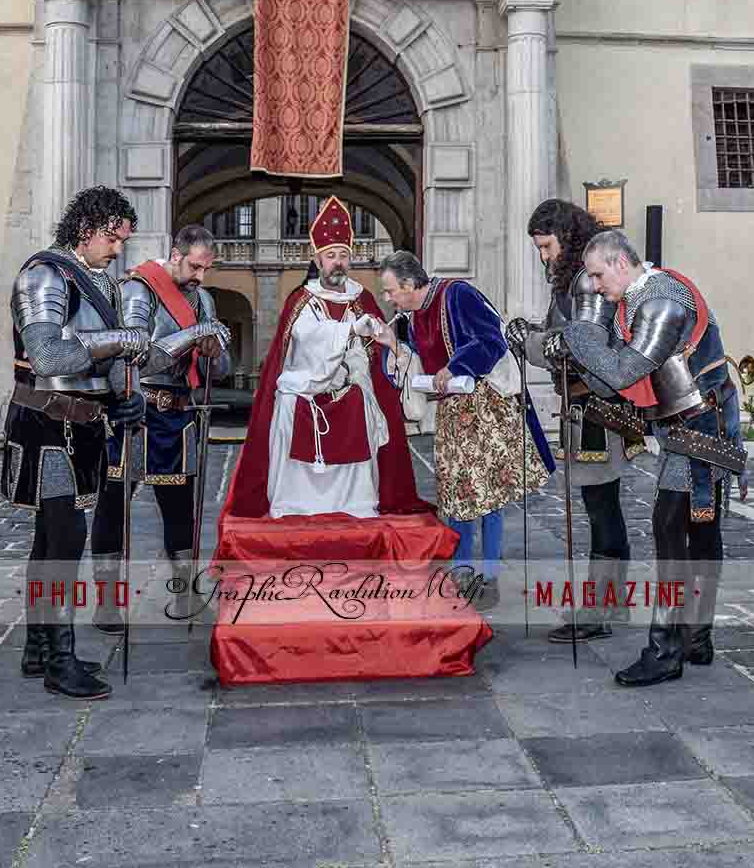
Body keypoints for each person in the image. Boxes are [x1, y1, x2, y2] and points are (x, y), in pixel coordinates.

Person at [7, 187, 210, 700]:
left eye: (123, 239)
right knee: (63, 541)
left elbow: (133, 359)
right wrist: (118, 342)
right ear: (87, 228)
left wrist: (137, 386)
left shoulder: (103, 285)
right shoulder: (44, 275)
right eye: (113, 238)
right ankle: (60, 660)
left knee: (51, 542)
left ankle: (39, 649)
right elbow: (49, 356)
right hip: (48, 426)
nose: (119, 248)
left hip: (86, 426)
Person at [531, 230, 743, 687]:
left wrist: (578, 334)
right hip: (683, 424)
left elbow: (624, 371)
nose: (595, 285)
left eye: (597, 275)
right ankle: (696, 637)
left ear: (620, 264)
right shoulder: (632, 301)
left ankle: (667, 650)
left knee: (674, 526)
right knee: (699, 528)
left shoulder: (663, 301)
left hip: (702, 425)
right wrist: (568, 346)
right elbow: (610, 384)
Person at [222, 195, 422, 521]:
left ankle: (356, 501)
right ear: (317, 259)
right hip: (306, 384)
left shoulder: (363, 298)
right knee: (286, 400)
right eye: (331, 256)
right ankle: (293, 500)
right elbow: (304, 337)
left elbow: (377, 353)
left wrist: (366, 351)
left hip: (349, 386)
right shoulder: (302, 299)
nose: (338, 262)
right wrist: (347, 332)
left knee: (364, 402)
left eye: (343, 255)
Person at [378, 250, 552, 612]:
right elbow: (415, 362)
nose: (388, 297)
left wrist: (457, 365)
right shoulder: (411, 317)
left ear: (410, 285)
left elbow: (492, 339)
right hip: (452, 411)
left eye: (390, 290)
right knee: (456, 492)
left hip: (484, 406)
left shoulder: (457, 294)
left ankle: (488, 579)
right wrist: (392, 345)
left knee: (486, 494)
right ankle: (460, 570)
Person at [89, 225, 232, 630]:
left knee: (180, 510)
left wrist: (211, 349)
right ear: (175, 254)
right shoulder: (139, 290)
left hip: (178, 414)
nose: (200, 277)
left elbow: (218, 370)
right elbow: (134, 355)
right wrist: (195, 334)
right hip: (135, 411)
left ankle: (186, 592)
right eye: (194, 266)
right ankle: (107, 602)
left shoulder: (202, 299)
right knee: (114, 505)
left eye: (206, 269)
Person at [509, 199, 638, 642]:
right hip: (583, 409)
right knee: (602, 508)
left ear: (566, 238)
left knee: (602, 510)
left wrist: (528, 341)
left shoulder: (585, 281)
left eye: (546, 246)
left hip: (599, 409)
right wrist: (535, 335)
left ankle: (599, 610)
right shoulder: (569, 283)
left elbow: (579, 347)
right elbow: (557, 339)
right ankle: (610, 604)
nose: (543, 255)